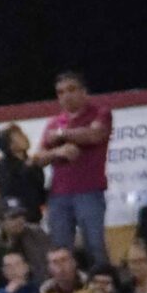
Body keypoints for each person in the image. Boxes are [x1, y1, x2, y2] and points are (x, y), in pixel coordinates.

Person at [38, 71, 112, 266]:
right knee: (61, 249)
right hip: (58, 195)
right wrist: (58, 152)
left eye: (71, 90)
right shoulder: (53, 123)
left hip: (89, 191)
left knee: (94, 245)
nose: (66, 96)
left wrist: (62, 134)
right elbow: (38, 157)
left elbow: (94, 135)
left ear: (83, 91)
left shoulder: (99, 113)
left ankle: (104, 288)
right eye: (60, 92)